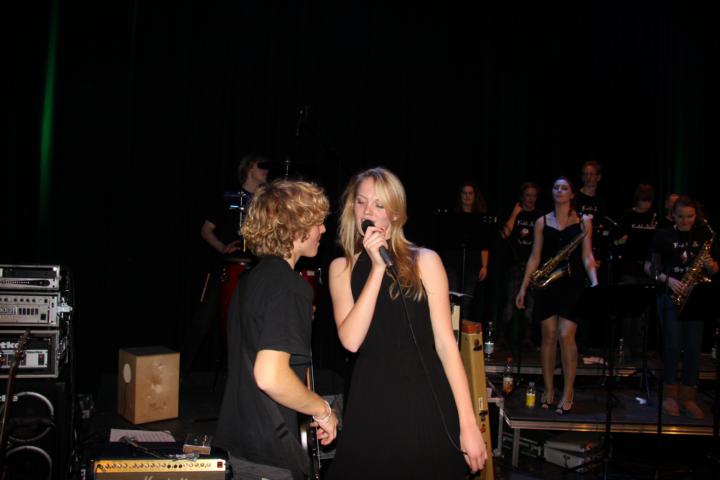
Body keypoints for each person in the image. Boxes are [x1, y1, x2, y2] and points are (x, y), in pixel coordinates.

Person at [326, 167, 486, 479]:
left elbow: (446, 345)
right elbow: (351, 340)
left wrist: (469, 424)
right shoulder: (340, 268)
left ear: (395, 214)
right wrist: (377, 268)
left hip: (425, 397)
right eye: (361, 202)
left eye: (379, 204)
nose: (367, 211)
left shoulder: (425, 261)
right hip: (372, 400)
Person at [215, 179, 337, 480]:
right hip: (269, 449)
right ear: (294, 228)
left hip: (236, 438)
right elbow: (269, 376)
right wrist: (323, 410)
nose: (323, 229)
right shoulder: (289, 286)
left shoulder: (249, 281)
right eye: (317, 222)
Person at [516, 177, 599, 415]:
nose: (559, 191)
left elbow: (587, 255)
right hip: (548, 284)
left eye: (564, 188)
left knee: (566, 335)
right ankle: (549, 389)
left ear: (572, 194)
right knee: (549, 335)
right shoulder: (542, 221)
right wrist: (523, 287)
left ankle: (568, 391)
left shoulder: (583, 221)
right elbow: (535, 256)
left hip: (572, 283)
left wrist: (595, 282)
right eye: (555, 187)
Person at [644, 195, 718, 420]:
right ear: (672, 216)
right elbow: (649, 267)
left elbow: (715, 270)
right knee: (672, 346)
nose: (685, 221)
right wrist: (668, 280)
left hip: (696, 297)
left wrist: (711, 265)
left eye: (690, 216)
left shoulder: (704, 235)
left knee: (694, 349)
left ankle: (689, 397)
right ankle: (669, 394)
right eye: (680, 217)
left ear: (696, 216)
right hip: (670, 295)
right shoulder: (663, 235)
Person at [437, 181, 491, 324]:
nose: (467, 196)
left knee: (467, 300)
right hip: (453, 262)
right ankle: (451, 329)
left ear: (475, 196)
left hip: (472, 264)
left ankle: (462, 328)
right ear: (460, 196)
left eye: (470, 193)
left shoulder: (481, 218)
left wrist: (484, 266)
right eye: (464, 193)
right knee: (453, 298)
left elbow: (484, 244)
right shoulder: (453, 216)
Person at [500, 182, 543, 350]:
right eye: (528, 195)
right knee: (509, 303)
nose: (531, 199)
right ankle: (503, 337)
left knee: (531, 305)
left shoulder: (540, 216)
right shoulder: (516, 213)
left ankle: (527, 339)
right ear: (522, 197)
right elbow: (504, 234)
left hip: (533, 266)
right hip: (514, 265)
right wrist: (514, 214)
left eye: (534, 195)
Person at [615, 184, 657, 355]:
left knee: (643, 309)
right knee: (628, 306)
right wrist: (625, 239)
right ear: (637, 199)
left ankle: (639, 345)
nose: (646, 204)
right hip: (629, 266)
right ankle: (625, 344)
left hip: (646, 267)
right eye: (643, 200)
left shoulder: (654, 217)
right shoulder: (628, 215)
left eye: (649, 201)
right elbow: (618, 240)